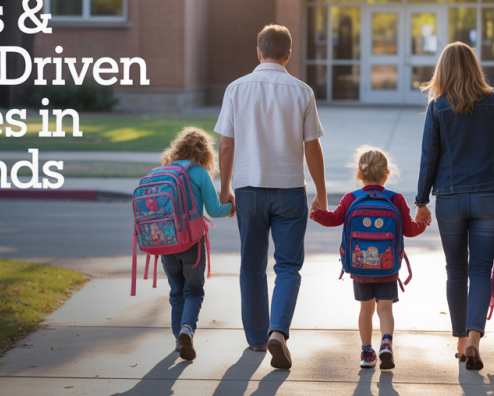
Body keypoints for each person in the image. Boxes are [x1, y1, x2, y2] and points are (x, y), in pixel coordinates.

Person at [214, 24, 328, 370]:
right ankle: (279, 330)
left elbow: (226, 144)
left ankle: (256, 339)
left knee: (251, 266)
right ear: (288, 55)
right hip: (290, 190)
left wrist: (224, 188)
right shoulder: (302, 91)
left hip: (248, 189)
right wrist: (322, 195)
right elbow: (312, 147)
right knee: (288, 267)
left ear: (258, 51)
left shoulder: (236, 89)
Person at [414, 41, 494, 372]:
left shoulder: (437, 108)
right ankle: (475, 336)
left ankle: (460, 342)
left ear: (442, 71)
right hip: (490, 197)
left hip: (449, 199)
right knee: (480, 270)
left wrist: (421, 201)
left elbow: (428, 158)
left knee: (456, 270)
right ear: (476, 67)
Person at [309, 146, 427, 370]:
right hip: (387, 267)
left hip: (360, 267)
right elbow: (410, 230)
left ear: (359, 174)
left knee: (365, 309)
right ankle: (386, 343)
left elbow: (334, 219)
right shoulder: (396, 199)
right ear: (387, 174)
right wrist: (424, 223)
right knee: (385, 309)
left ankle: (366, 353)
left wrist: (316, 213)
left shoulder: (351, 198)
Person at [157, 126, 235, 362]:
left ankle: (178, 342)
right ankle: (187, 330)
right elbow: (213, 210)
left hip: (166, 241)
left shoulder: (165, 171)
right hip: (191, 242)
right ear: (204, 153)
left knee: (176, 292)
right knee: (193, 291)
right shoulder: (200, 173)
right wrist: (232, 206)